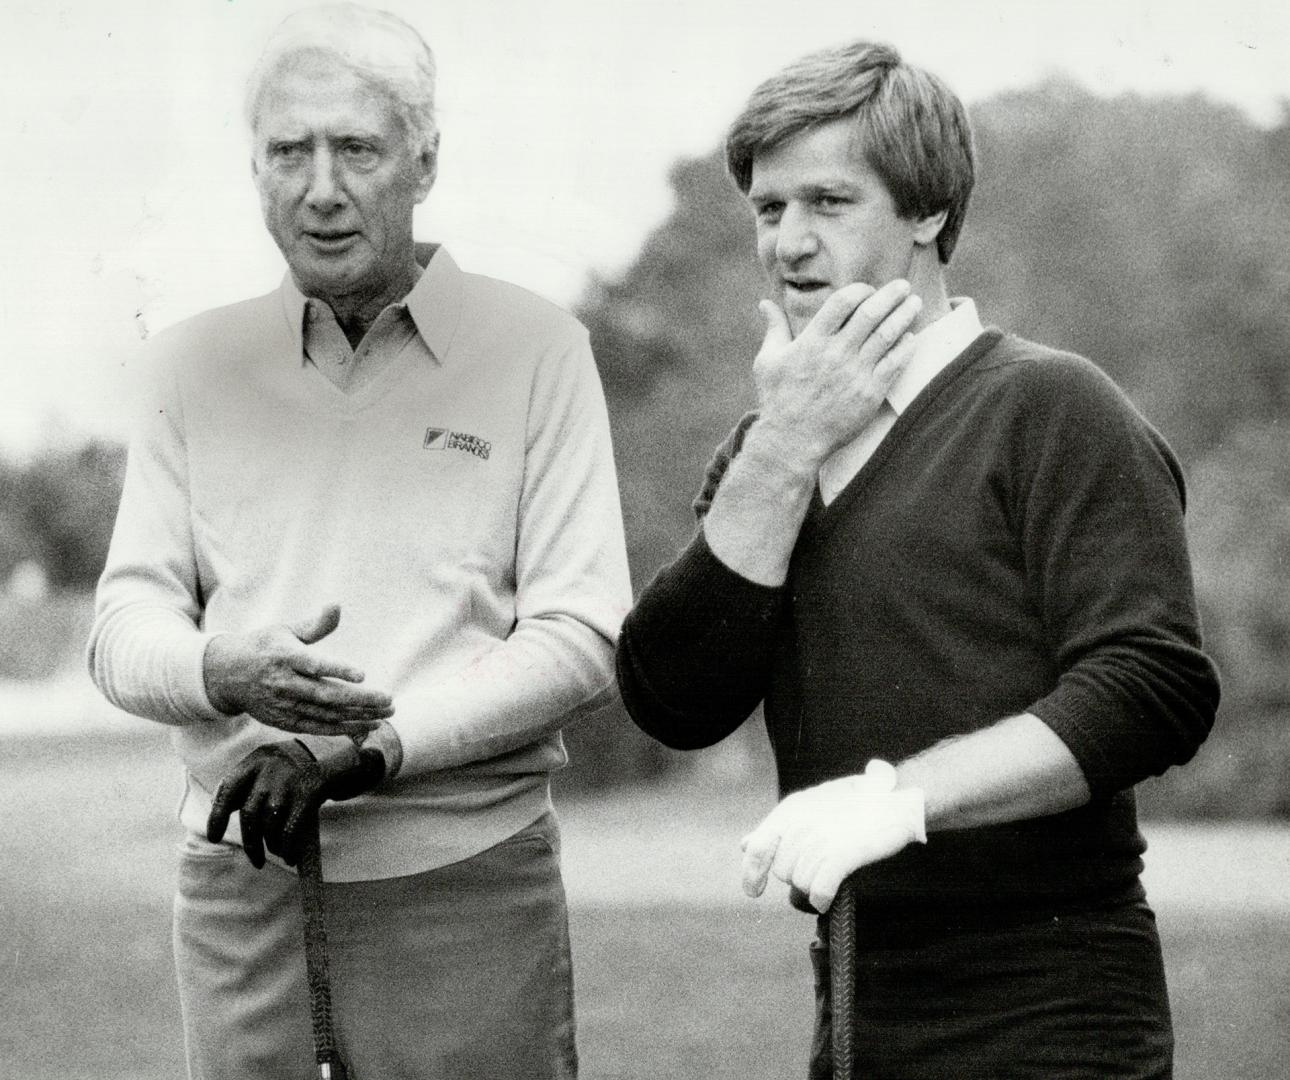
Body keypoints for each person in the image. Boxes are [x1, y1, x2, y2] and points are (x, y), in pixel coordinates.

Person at [616, 40, 1219, 1079]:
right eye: (769, 210)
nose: (788, 244)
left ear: (928, 211)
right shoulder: (770, 447)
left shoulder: (1052, 406)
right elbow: (672, 699)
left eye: (829, 203)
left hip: (1057, 1000)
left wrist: (902, 800)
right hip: (855, 992)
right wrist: (788, 446)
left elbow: (1150, 687)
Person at [87, 5, 630, 1078]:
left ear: (425, 158)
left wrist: (362, 751)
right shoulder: (191, 368)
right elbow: (120, 630)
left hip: (465, 878)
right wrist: (221, 670)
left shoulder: (535, 350)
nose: (322, 187)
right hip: (242, 886)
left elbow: (582, 636)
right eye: (289, 151)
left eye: (358, 148)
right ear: (254, 168)